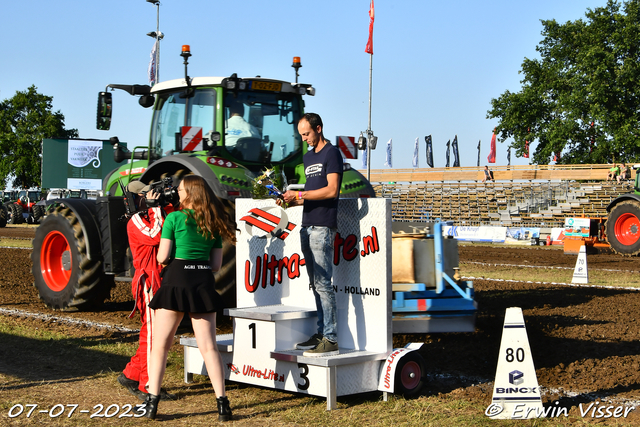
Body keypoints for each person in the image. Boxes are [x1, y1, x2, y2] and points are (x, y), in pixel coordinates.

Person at [141, 175, 237, 420]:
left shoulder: (174, 218)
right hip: (203, 281)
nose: (178, 193)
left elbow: (162, 258)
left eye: (181, 190)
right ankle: (223, 405)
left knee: (161, 346)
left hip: (177, 279)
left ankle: (152, 404)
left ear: (191, 193)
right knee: (209, 347)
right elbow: (215, 265)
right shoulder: (213, 222)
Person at [280, 113, 343, 357]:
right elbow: (311, 193)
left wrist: (300, 196)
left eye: (307, 133)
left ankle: (331, 337)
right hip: (307, 225)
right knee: (315, 284)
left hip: (323, 226)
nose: (304, 138)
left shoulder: (332, 153)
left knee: (324, 283)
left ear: (319, 128)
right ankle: (321, 333)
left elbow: (331, 190)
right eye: (301, 134)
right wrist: (291, 202)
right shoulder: (308, 157)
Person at [117, 180, 174, 402]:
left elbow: (168, 224)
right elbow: (155, 235)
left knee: (151, 334)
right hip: (148, 282)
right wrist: (155, 207)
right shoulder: (136, 221)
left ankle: (131, 374)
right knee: (152, 334)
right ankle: (148, 385)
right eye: (145, 195)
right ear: (135, 198)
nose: (149, 197)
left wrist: (166, 205)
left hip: (159, 280)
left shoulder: (152, 214)